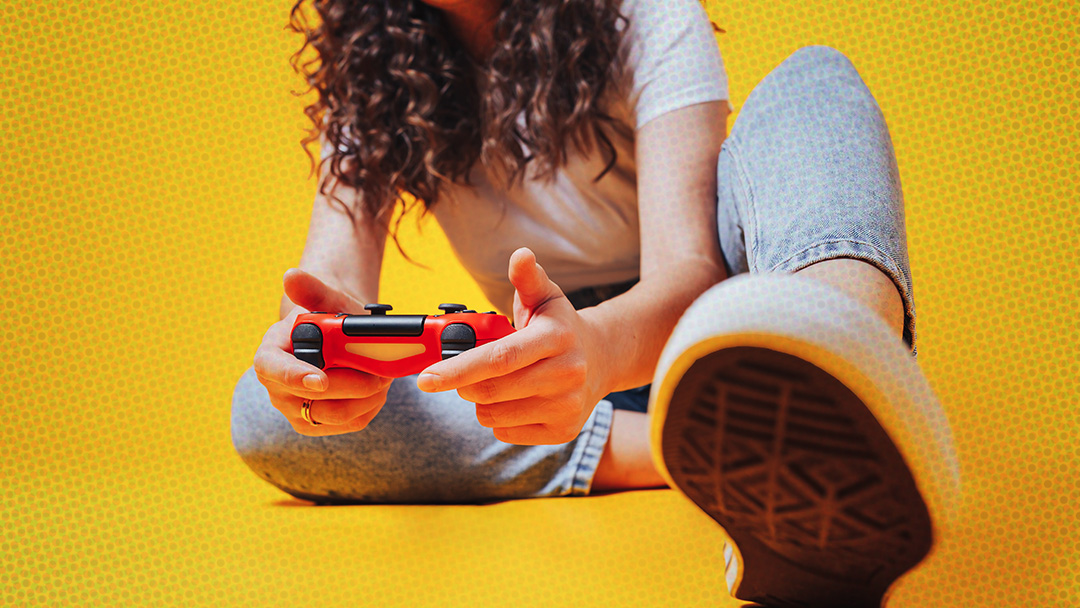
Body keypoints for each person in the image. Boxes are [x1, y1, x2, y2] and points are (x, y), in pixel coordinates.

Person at [231, 0, 960, 605]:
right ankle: (701, 454)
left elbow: (691, 271)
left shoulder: (644, 11)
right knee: (266, 408)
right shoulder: (373, 74)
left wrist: (597, 350)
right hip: (551, 383)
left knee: (813, 82)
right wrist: (308, 359)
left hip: (715, 338)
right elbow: (327, 287)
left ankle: (848, 361)